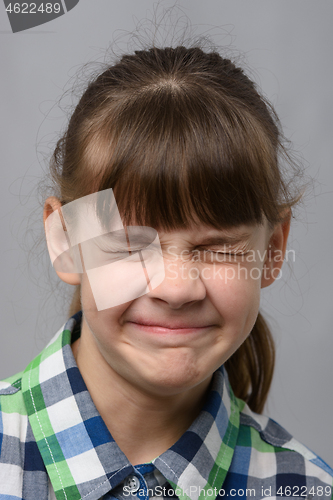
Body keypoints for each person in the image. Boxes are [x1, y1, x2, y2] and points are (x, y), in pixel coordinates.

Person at [0, 45, 332, 500]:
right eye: (129, 245)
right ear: (67, 242)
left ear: (273, 251)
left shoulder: (306, 489)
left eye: (218, 248)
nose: (176, 289)